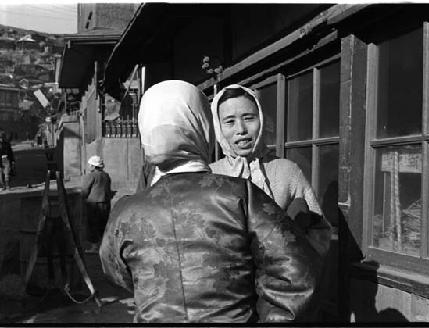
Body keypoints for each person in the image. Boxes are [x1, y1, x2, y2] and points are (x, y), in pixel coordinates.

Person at [99, 80, 320, 323]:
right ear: (203, 125)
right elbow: (296, 272)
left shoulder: (126, 211)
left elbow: (117, 274)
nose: (241, 129)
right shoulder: (240, 195)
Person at [209, 84, 332, 257]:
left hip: (280, 280)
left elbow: (320, 231)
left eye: (249, 118)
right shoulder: (209, 175)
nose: (241, 130)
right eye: (230, 122)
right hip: (228, 280)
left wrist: (295, 258)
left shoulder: (287, 171)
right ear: (218, 127)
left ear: (261, 119)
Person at [81, 155, 112, 253]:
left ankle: (94, 247)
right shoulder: (106, 176)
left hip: (93, 204)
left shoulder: (91, 176)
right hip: (105, 203)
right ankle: (104, 246)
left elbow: (85, 189)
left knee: (92, 225)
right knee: (103, 224)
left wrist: (83, 197)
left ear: (94, 166)